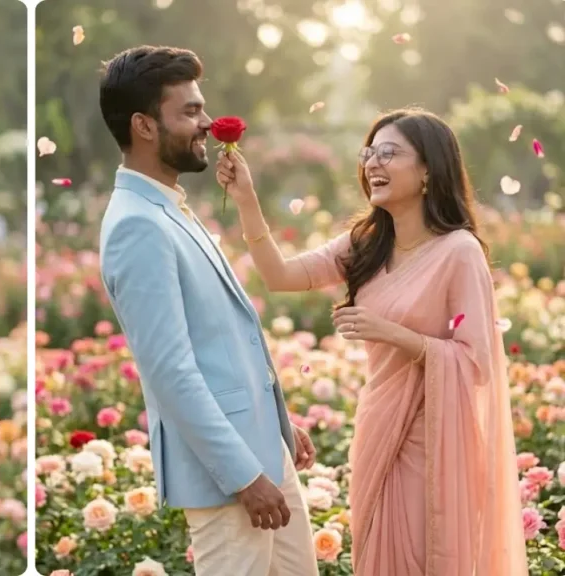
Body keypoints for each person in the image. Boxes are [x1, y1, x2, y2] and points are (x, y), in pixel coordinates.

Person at [215, 107, 528, 575]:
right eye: (369, 153)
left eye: (389, 153)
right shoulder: (366, 242)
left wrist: (395, 335)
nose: (373, 164)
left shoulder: (459, 252)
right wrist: (246, 200)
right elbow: (279, 275)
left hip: (430, 439)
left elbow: (476, 361)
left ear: (427, 170)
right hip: (378, 427)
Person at [96, 45, 320, 576]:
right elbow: (170, 370)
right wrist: (244, 477)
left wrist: (278, 423)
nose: (208, 122)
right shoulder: (137, 225)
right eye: (190, 111)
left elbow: (221, 343)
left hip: (266, 453)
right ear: (144, 126)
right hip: (231, 482)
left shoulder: (168, 205)